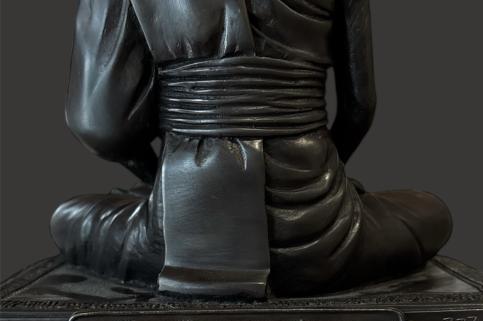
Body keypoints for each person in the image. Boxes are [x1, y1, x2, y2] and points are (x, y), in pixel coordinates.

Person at [51, 0, 452, 298]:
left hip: (177, 238)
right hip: (320, 237)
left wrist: (160, 180)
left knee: (67, 219)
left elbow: (102, 127)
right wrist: (328, 175)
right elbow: (359, 109)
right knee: (431, 212)